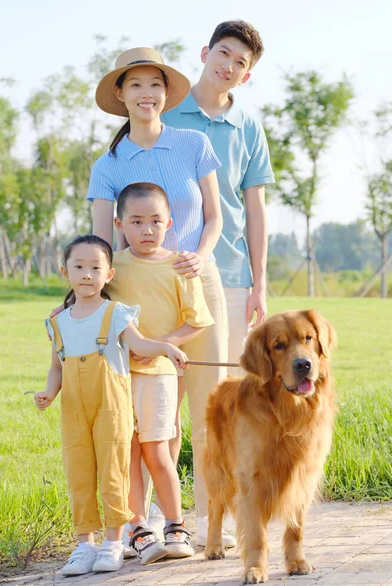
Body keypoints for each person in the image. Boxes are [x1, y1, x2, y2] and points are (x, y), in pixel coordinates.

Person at [88, 47, 235, 548]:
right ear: (120, 95)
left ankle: (214, 521)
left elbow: (215, 217)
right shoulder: (109, 162)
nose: (147, 94)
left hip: (197, 281)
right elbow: (103, 243)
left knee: (210, 406)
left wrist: (199, 253)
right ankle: (149, 523)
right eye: (136, 85)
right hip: (139, 296)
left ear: (166, 93)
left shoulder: (193, 143)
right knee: (153, 418)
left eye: (155, 84)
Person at [34, 234, 188, 576]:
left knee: (115, 470)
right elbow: (56, 367)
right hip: (74, 410)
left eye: (95, 267)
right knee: (79, 471)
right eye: (78, 267)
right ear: (65, 271)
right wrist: (49, 392)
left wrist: (167, 349)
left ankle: (113, 542)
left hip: (112, 410)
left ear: (109, 275)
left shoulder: (115, 313)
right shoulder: (58, 322)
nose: (86, 274)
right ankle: (84, 544)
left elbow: (141, 344)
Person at [109, 181, 215, 564]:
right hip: (118, 376)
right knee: (128, 451)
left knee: (157, 449)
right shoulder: (112, 268)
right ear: (120, 224)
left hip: (161, 375)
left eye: (155, 221)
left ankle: (175, 525)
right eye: (137, 222)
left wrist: (160, 346)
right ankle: (138, 530)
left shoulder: (180, 266)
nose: (147, 229)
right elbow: (86, 302)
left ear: (169, 222)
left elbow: (197, 321)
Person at [162, 20, 275, 375]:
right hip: (165, 267)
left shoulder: (249, 127)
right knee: (165, 384)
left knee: (227, 388)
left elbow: (255, 211)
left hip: (230, 273)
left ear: (246, 76)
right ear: (205, 53)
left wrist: (259, 284)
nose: (228, 65)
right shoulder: (165, 113)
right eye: (223, 53)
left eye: (240, 63)